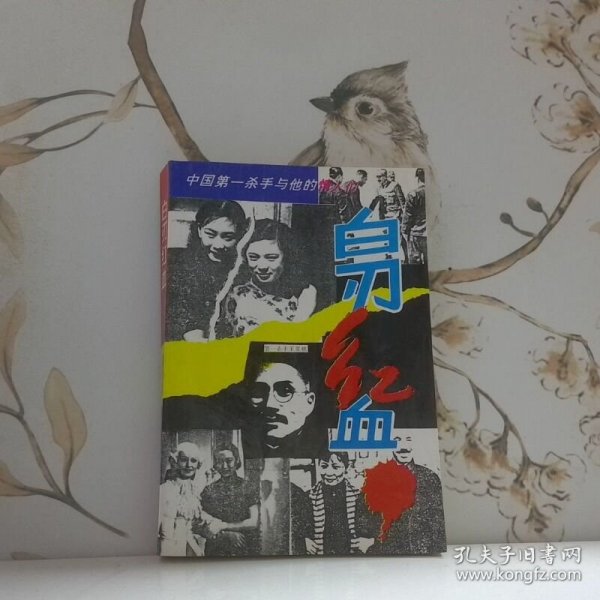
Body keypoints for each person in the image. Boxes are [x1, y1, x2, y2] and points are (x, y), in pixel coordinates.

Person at [219, 219, 317, 337]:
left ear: (287, 256)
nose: (262, 267)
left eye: (271, 258)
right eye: (253, 257)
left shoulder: (305, 294)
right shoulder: (237, 295)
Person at [166, 200, 248, 341]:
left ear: (240, 235)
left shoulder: (244, 270)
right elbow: (179, 312)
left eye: (228, 237)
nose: (218, 245)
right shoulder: (178, 264)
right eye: (210, 234)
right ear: (199, 230)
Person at [371, 433, 446, 554]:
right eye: (397, 440)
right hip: (387, 552)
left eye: (408, 439)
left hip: (422, 550)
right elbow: (368, 516)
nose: (403, 446)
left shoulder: (430, 477)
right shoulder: (377, 477)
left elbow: (436, 519)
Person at [295, 451, 379, 555]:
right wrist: (304, 542)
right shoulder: (308, 498)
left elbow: (379, 531)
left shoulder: (360, 498)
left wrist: (370, 542)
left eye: (336, 467)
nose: (329, 473)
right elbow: (296, 531)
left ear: (346, 468)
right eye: (324, 466)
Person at [196, 443, 260, 556]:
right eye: (219, 461)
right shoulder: (209, 490)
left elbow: (253, 522)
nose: (224, 466)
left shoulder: (248, 486)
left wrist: (223, 526)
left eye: (229, 460)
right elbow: (197, 522)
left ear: (237, 460)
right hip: (215, 550)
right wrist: (225, 535)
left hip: (243, 549)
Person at [158, 442, 209, 556]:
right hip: (166, 550)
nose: (189, 465)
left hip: (185, 549)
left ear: (198, 464)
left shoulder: (193, 493)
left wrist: (197, 551)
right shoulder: (163, 490)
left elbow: (187, 531)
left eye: (193, 461)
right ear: (175, 461)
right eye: (184, 459)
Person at [401, 168, 427, 264]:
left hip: (416, 234)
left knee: (415, 264)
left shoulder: (413, 194)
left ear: (417, 178)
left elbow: (408, 215)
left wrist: (404, 230)